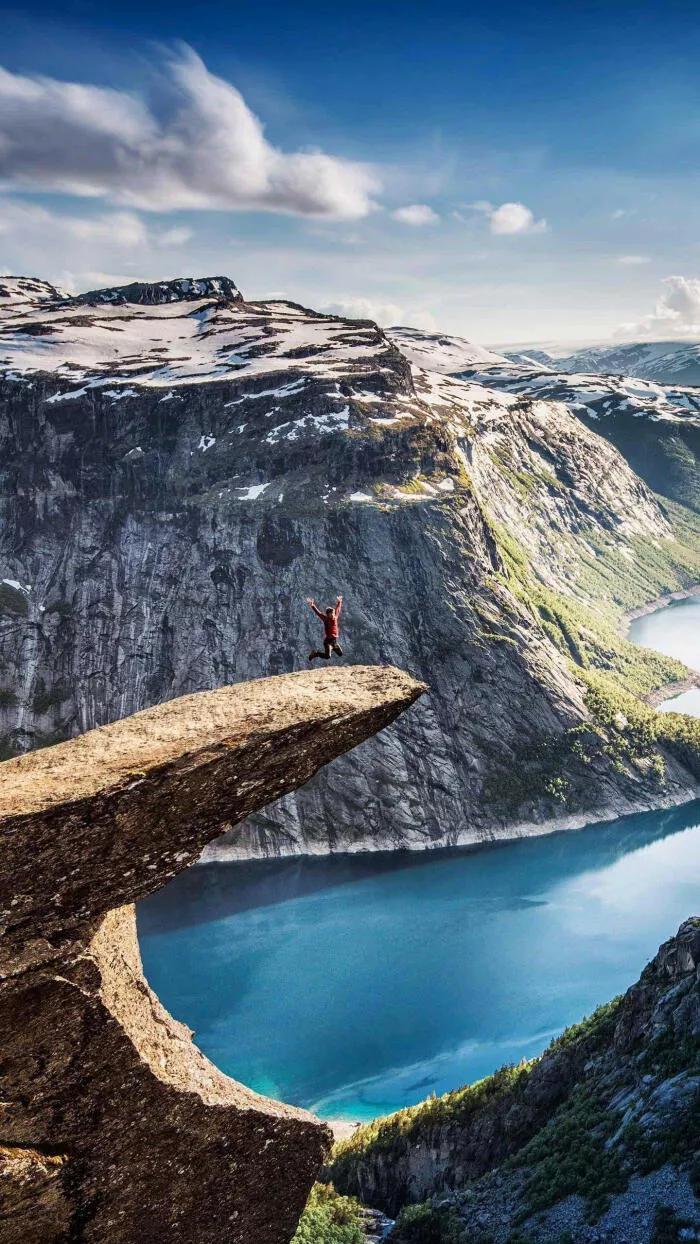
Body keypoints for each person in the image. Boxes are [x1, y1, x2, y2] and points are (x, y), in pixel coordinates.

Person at [307, 593, 344, 661]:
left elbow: (338, 609)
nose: (332, 614)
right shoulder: (325, 619)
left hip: (334, 641)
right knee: (327, 656)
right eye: (331, 614)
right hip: (327, 641)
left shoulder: (335, 617)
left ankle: (332, 647)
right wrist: (312, 605)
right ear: (327, 614)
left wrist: (339, 601)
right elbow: (319, 613)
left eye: (333, 613)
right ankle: (315, 654)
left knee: (340, 654)